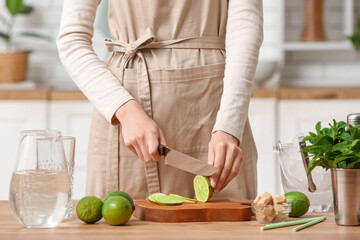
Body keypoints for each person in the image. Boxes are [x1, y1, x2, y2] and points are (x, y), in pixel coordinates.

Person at [57, 0, 263, 201]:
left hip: (216, 121)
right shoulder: (125, 114)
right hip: (126, 124)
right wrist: (125, 110)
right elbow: (72, 40)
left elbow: (246, 26)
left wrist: (228, 128)